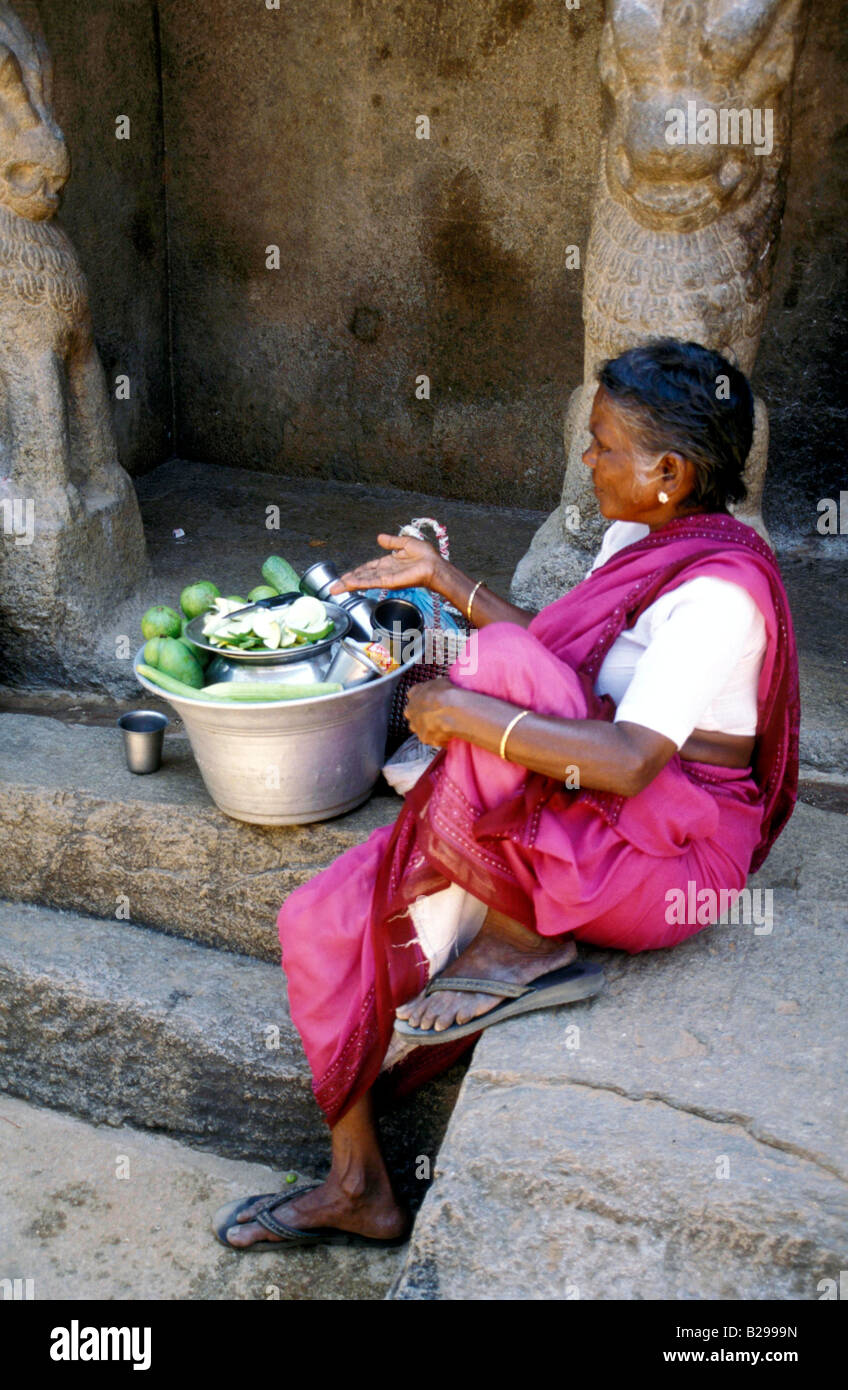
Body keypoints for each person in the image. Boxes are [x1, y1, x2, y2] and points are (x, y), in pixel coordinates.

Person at [212, 338, 799, 1251]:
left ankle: (523, 937)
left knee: (490, 668)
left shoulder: (721, 594)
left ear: (669, 472)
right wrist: (444, 579)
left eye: (603, 444)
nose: (587, 459)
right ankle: (359, 1181)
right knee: (315, 920)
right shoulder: (639, 537)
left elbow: (634, 759)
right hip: (576, 801)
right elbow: (562, 659)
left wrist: (464, 714)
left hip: (665, 845)